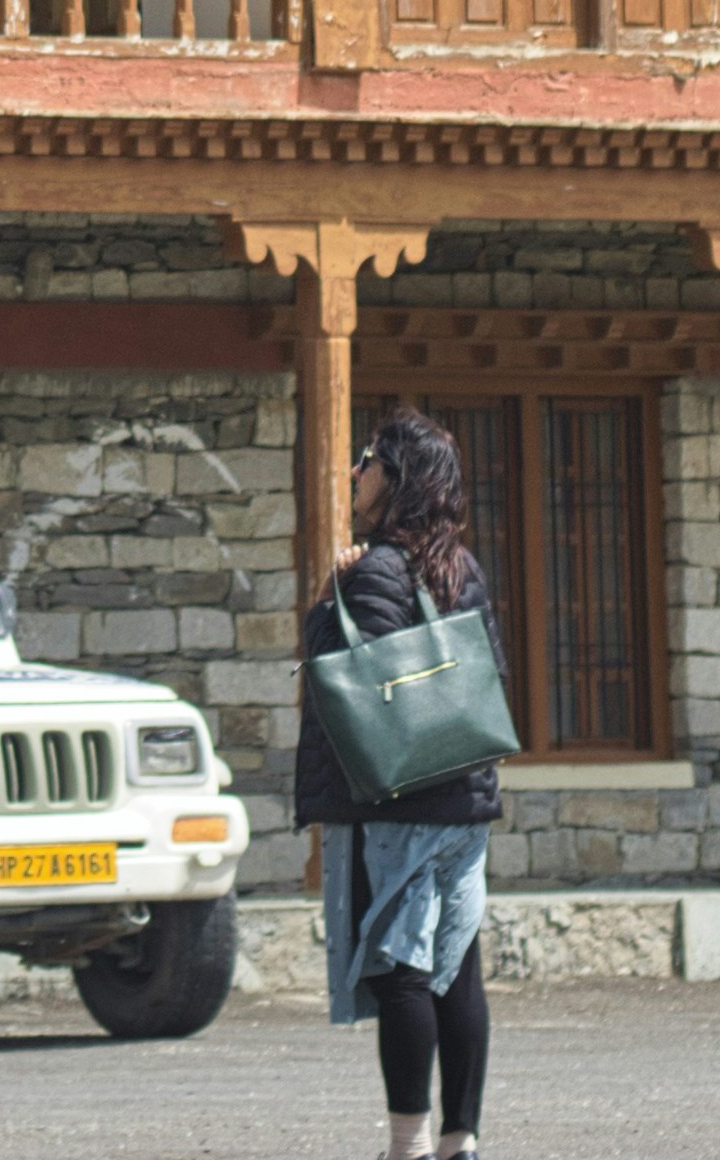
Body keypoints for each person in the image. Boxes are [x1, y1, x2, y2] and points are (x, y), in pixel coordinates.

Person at [297, 407, 499, 1160]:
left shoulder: (378, 568)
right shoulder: (463, 567)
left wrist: (327, 597)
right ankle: (460, 1143)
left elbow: (353, 681)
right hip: (465, 799)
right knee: (458, 970)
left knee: (404, 972)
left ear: (399, 478)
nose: (356, 473)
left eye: (369, 459)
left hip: (404, 800)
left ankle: (406, 1147)